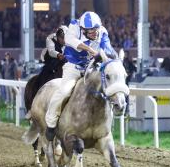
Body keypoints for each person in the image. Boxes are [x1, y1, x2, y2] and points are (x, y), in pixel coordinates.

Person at [45, 11, 117, 141]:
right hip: (73, 67)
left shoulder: (102, 32)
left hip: (90, 68)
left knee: (106, 89)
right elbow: (70, 40)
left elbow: (108, 48)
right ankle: (50, 124)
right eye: (91, 31)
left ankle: (106, 123)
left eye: (96, 29)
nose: (95, 33)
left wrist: (110, 56)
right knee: (64, 91)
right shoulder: (74, 27)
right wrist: (90, 50)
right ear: (83, 30)